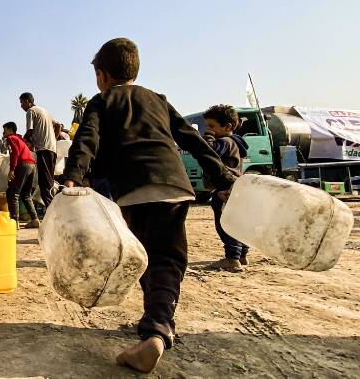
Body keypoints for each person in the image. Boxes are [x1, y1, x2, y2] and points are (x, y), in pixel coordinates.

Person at [62, 38, 234, 374]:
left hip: (134, 190)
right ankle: (157, 324)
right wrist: (222, 175)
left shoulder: (101, 102)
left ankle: (154, 331)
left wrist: (72, 177)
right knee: (167, 259)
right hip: (175, 186)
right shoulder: (158, 100)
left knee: (146, 257)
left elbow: (87, 140)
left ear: (101, 75)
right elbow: (190, 137)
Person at [202, 104, 250, 271]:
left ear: (228, 126)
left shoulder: (225, 142)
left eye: (212, 126)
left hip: (224, 189)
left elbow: (209, 152)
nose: (208, 129)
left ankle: (232, 258)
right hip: (233, 188)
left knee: (226, 224)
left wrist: (207, 137)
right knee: (237, 223)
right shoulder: (235, 143)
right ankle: (242, 255)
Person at [19, 92, 57, 208]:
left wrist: (21, 141)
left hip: (43, 150)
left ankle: (52, 211)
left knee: (44, 183)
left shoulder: (31, 111)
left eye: (21, 103)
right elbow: (59, 125)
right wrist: (54, 139)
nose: (21, 106)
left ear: (27, 101)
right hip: (52, 149)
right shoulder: (44, 111)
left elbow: (29, 131)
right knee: (49, 182)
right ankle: (55, 209)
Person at [2, 122, 40, 228]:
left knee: (13, 193)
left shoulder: (11, 138)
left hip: (23, 165)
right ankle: (35, 219)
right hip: (32, 166)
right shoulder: (20, 139)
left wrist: (12, 170)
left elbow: (15, 153)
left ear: (10, 130)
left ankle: (14, 222)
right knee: (26, 195)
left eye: (4, 130)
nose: (3, 132)